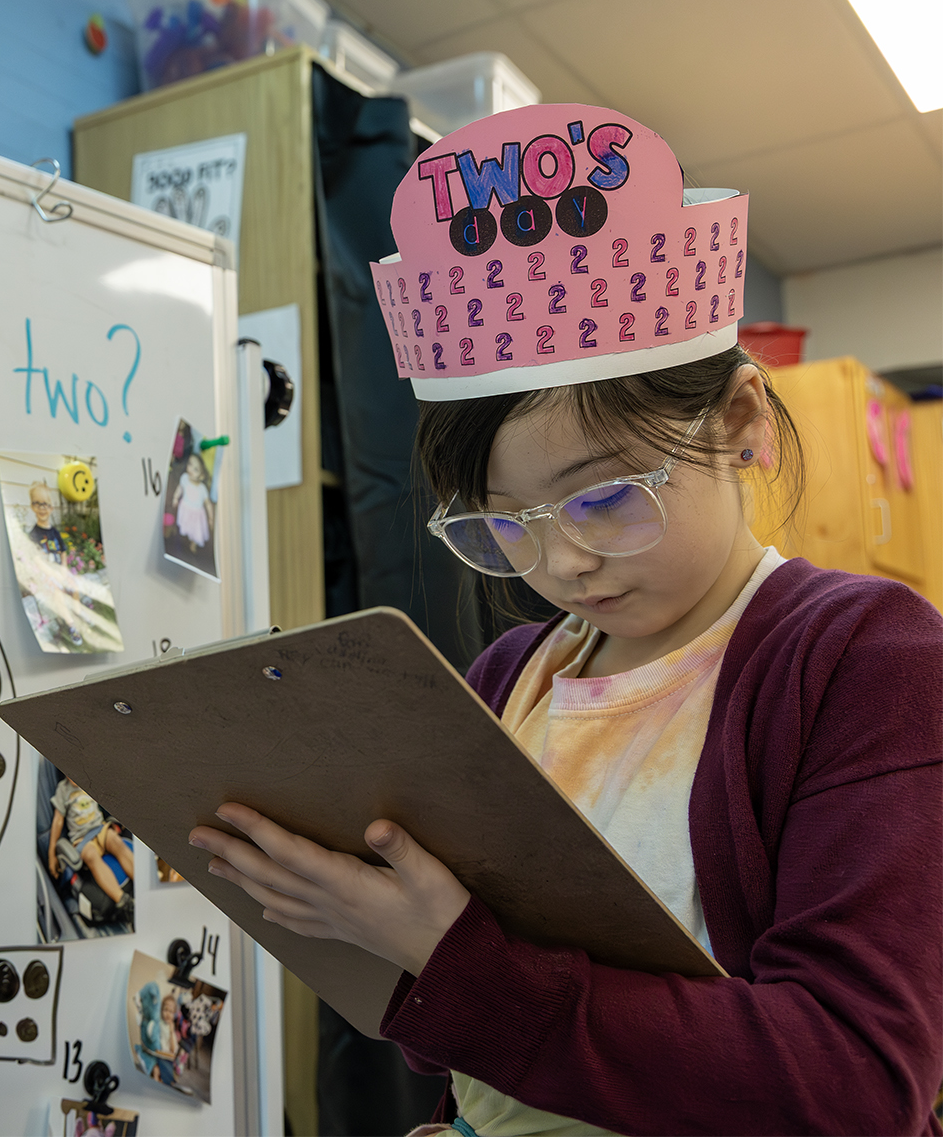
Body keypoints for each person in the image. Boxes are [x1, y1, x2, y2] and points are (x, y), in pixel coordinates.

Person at [189, 102, 942, 1134]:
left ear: (740, 422)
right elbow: (461, 1040)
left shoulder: (864, 659)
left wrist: (450, 955)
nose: (563, 563)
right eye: (504, 526)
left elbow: (855, 1083)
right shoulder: (511, 677)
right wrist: (370, 923)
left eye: (605, 499)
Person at [47, 775, 134, 917]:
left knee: (116, 841)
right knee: (90, 855)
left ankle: (143, 885)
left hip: (100, 829)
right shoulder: (63, 790)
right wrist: (51, 854)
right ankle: (124, 902)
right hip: (82, 838)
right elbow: (58, 821)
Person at [170, 452, 213, 551]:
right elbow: (180, 488)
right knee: (184, 525)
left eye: (196, 469)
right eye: (190, 464)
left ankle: (193, 543)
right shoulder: (185, 478)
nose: (191, 469)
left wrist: (211, 518)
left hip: (197, 514)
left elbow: (208, 503)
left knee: (196, 531)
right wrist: (175, 497)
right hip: (185, 508)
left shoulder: (202, 489)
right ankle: (183, 537)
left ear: (201, 476)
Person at [25, 483, 68, 559]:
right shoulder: (33, 535)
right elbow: (37, 559)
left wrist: (64, 565)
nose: (42, 508)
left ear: (51, 508)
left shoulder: (55, 532)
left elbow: (63, 552)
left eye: (45, 504)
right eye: (37, 503)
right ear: (32, 507)